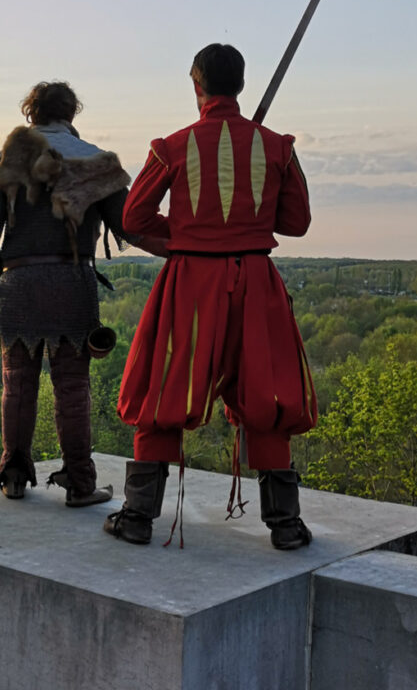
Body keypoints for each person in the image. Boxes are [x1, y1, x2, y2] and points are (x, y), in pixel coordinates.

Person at [107, 44, 318, 550]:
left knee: (162, 390)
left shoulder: (172, 147)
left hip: (191, 284)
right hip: (256, 282)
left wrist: (183, 235)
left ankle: (138, 516)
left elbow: (133, 218)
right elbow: (296, 223)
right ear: (240, 85)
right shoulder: (276, 147)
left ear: (196, 84)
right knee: (267, 393)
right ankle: (285, 524)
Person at [0, 81, 140, 507]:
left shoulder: (11, 157)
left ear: (32, 114)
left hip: (19, 286)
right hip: (72, 286)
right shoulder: (98, 162)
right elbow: (134, 227)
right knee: (73, 387)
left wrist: (4, 254)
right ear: (71, 115)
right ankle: (80, 483)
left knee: (17, 383)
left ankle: (14, 476)